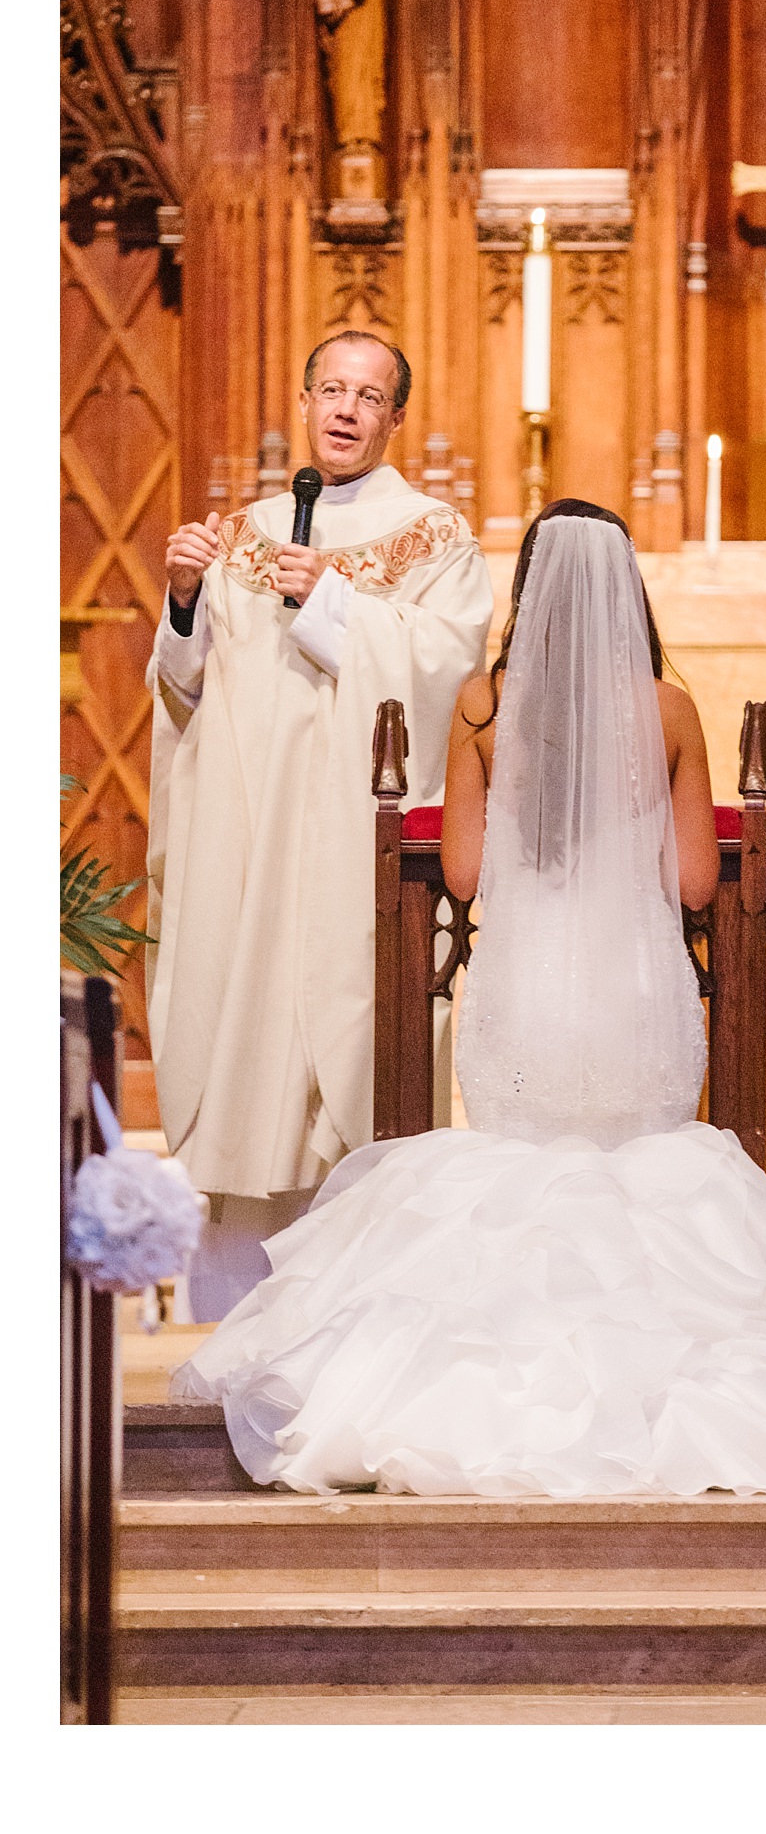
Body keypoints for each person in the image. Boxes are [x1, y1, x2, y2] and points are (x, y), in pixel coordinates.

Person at [172, 504, 766, 1495]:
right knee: (645, 1175)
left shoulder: (480, 705)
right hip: (632, 990)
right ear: (625, 587)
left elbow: (461, 873)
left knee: (521, 1174)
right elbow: (691, 882)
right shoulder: (666, 708)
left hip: (528, 989)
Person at [147, 332, 494, 1319]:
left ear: (395, 417)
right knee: (247, 1052)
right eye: (331, 390)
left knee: (346, 1053)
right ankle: (235, 1308)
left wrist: (333, 602)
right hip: (250, 851)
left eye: (369, 396)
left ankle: (361, 1310)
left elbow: (449, 673)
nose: (346, 410)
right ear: (303, 401)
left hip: (355, 850)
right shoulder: (245, 531)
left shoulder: (433, 533)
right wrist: (181, 605)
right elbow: (186, 693)